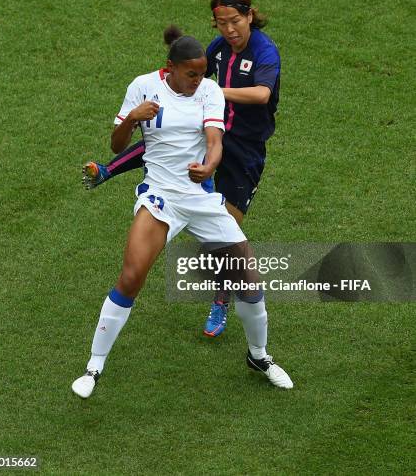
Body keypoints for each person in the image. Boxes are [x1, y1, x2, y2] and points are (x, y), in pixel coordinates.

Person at [72, 26, 293, 398]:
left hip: (202, 199)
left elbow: (214, 141)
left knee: (249, 284)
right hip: (160, 197)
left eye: (202, 72)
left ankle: (260, 356)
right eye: (191, 73)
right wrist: (131, 118)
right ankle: (94, 366)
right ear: (169, 69)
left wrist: (209, 167)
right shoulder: (142, 86)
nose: (199, 80)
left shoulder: (208, 92)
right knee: (131, 277)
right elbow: (116, 142)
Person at [82, 0, 281, 339]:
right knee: (164, 140)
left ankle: (222, 297)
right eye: (221, 23)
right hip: (212, 129)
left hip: (244, 149)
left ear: (250, 15)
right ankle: (110, 169)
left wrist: (212, 89)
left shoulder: (265, 51)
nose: (229, 30)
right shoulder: (219, 48)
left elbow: (262, 94)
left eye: (235, 21)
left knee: (227, 239)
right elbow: (192, 67)